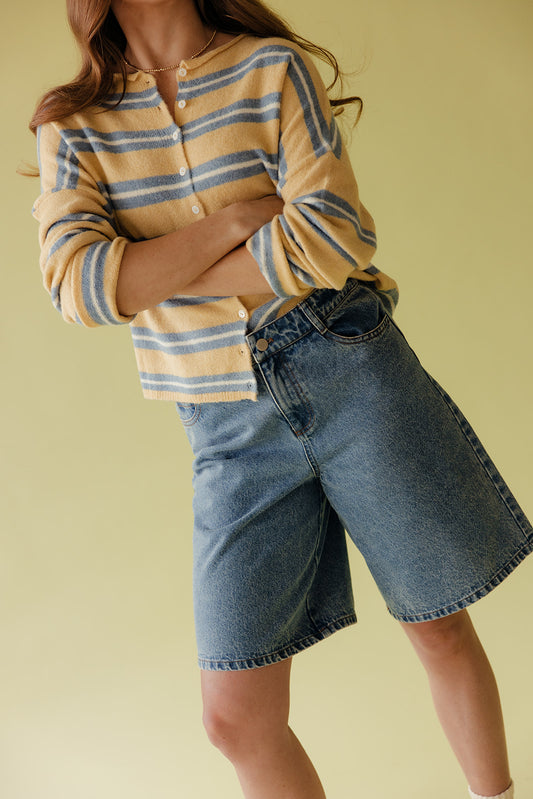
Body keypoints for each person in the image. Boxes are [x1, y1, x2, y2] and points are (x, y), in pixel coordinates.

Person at [30, 1, 531, 797]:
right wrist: (234, 221)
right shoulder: (75, 127)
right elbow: (81, 288)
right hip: (223, 422)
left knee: (435, 621)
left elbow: (334, 239)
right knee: (234, 716)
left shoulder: (272, 70)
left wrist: (154, 278)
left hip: (345, 363)